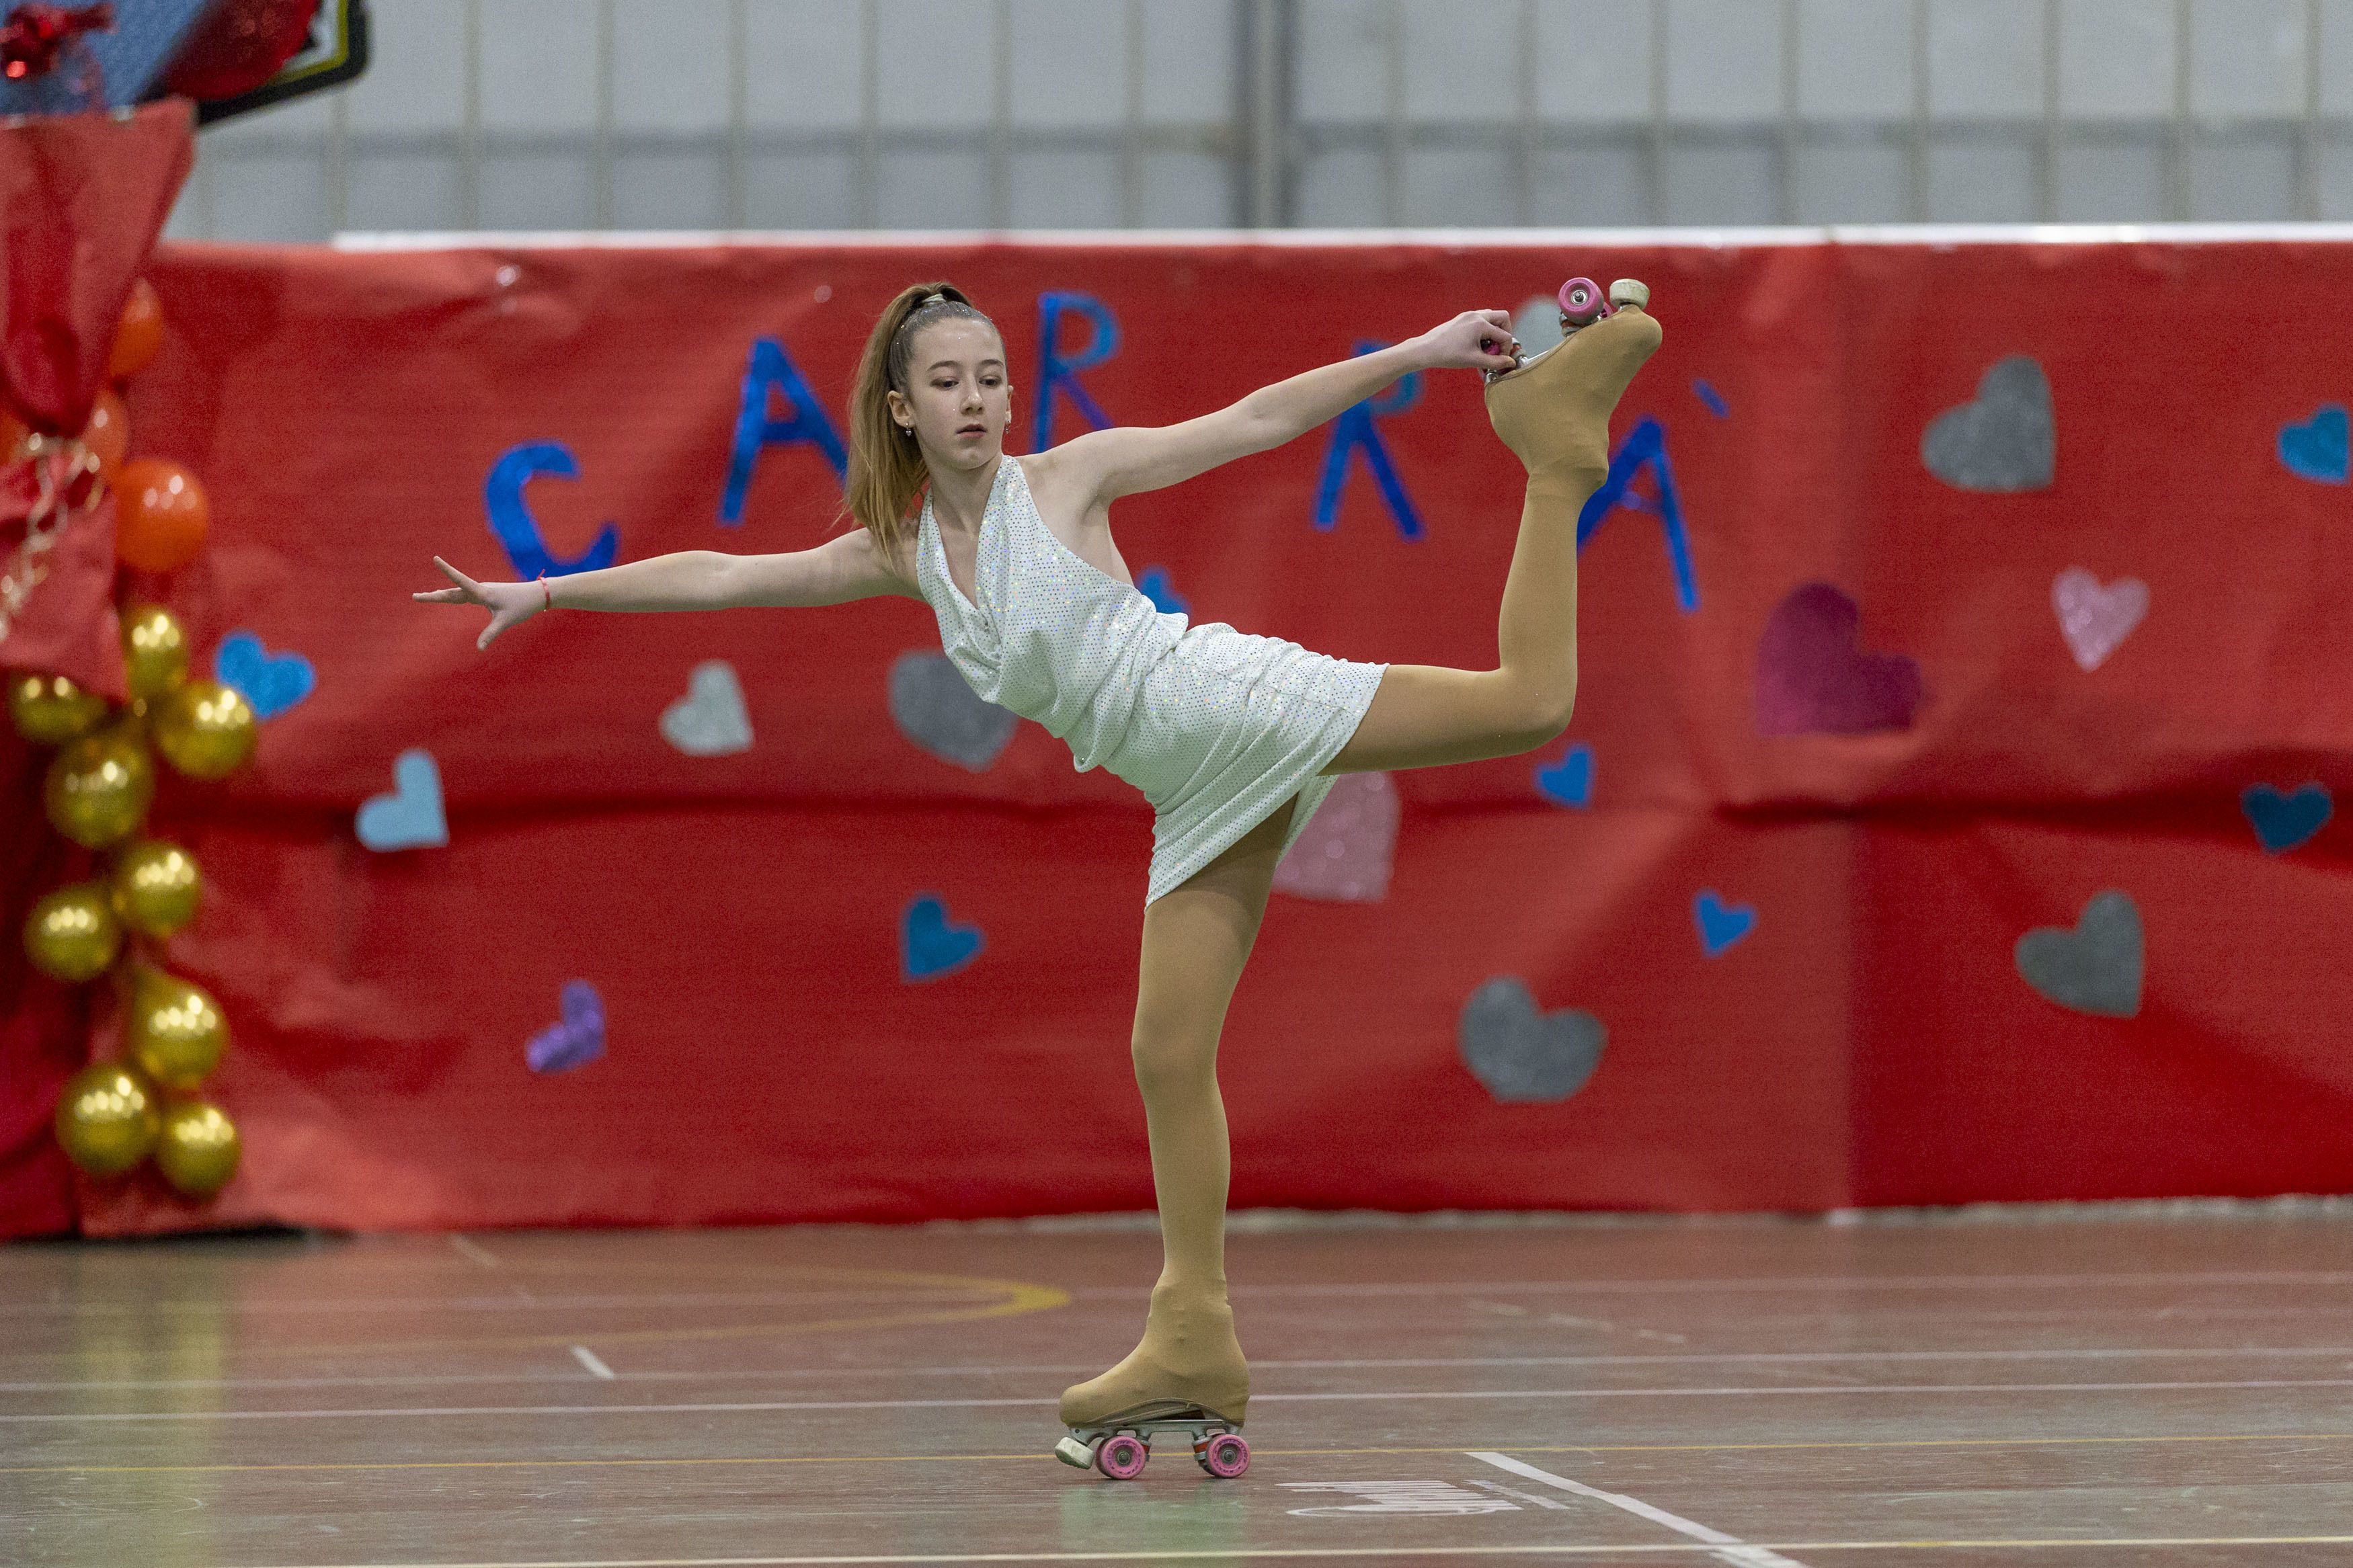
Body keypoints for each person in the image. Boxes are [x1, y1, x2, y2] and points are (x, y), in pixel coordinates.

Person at [415, 278, 1662, 1459]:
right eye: (947, 381)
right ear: (901, 407)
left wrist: (1416, 352)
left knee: (1525, 705)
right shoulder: (897, 553)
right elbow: (730, 576)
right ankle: (1195, 1339)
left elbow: (1252, 421)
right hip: (1186, 787)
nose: (976, 399)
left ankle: (1557, 454)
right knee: (1165, 1054)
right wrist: (550, 589)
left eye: (993, 378)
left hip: (1225, 706)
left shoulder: (1067, 481)